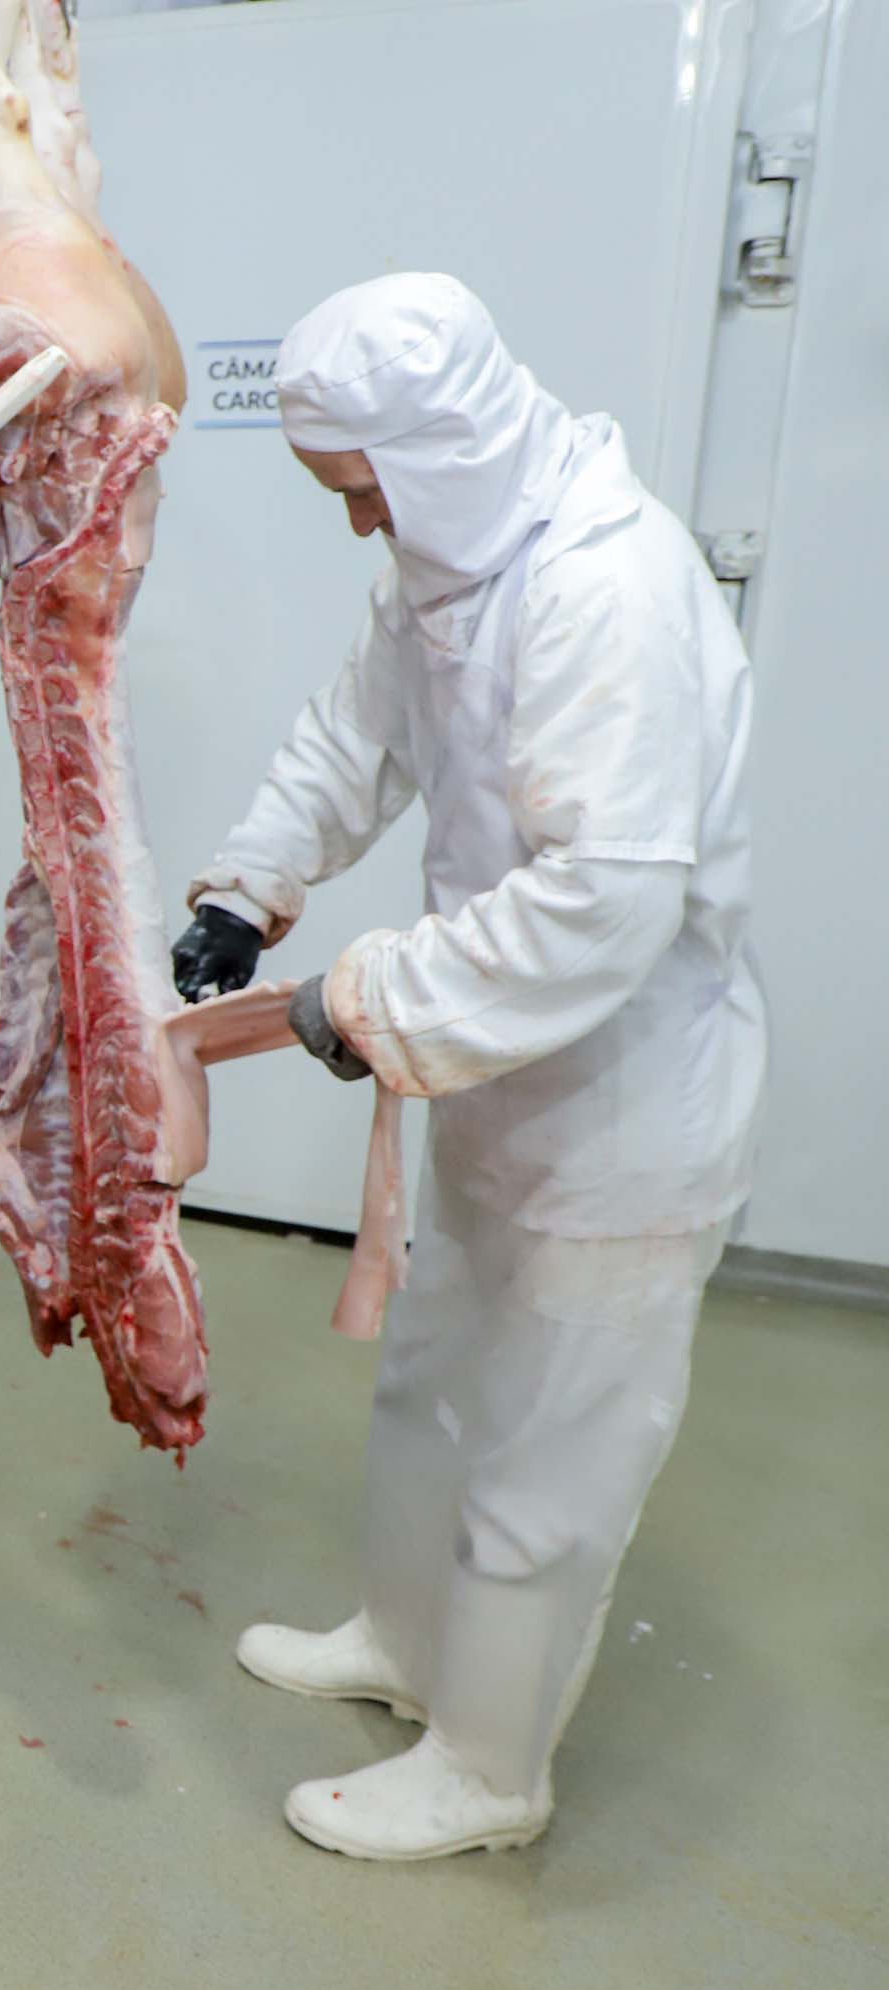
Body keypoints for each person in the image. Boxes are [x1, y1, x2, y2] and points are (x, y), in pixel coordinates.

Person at [166, 273, 767, 1862]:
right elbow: (354, 737)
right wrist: (249, 884)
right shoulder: (450, 564)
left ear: (431, 453)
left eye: (359, 489)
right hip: (499, 1082)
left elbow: (604, 902)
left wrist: (362, 998)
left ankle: (492, 1770)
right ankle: (407, 1643)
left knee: (548, 1445)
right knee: (439, 1382)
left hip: (623, 1105)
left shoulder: (606, 586)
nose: (356, 521)